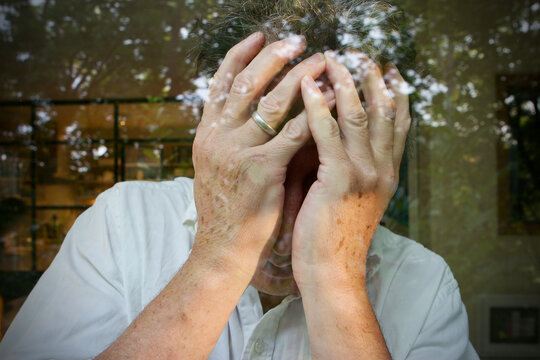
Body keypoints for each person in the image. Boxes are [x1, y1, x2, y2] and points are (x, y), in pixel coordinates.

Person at [0, 0, 479, 359]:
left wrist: (335, 278)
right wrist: (220, 254)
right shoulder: (122, 222)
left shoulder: (423, 283)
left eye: (319, 184)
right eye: (259, 168)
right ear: (214, 147)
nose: (287, 232)